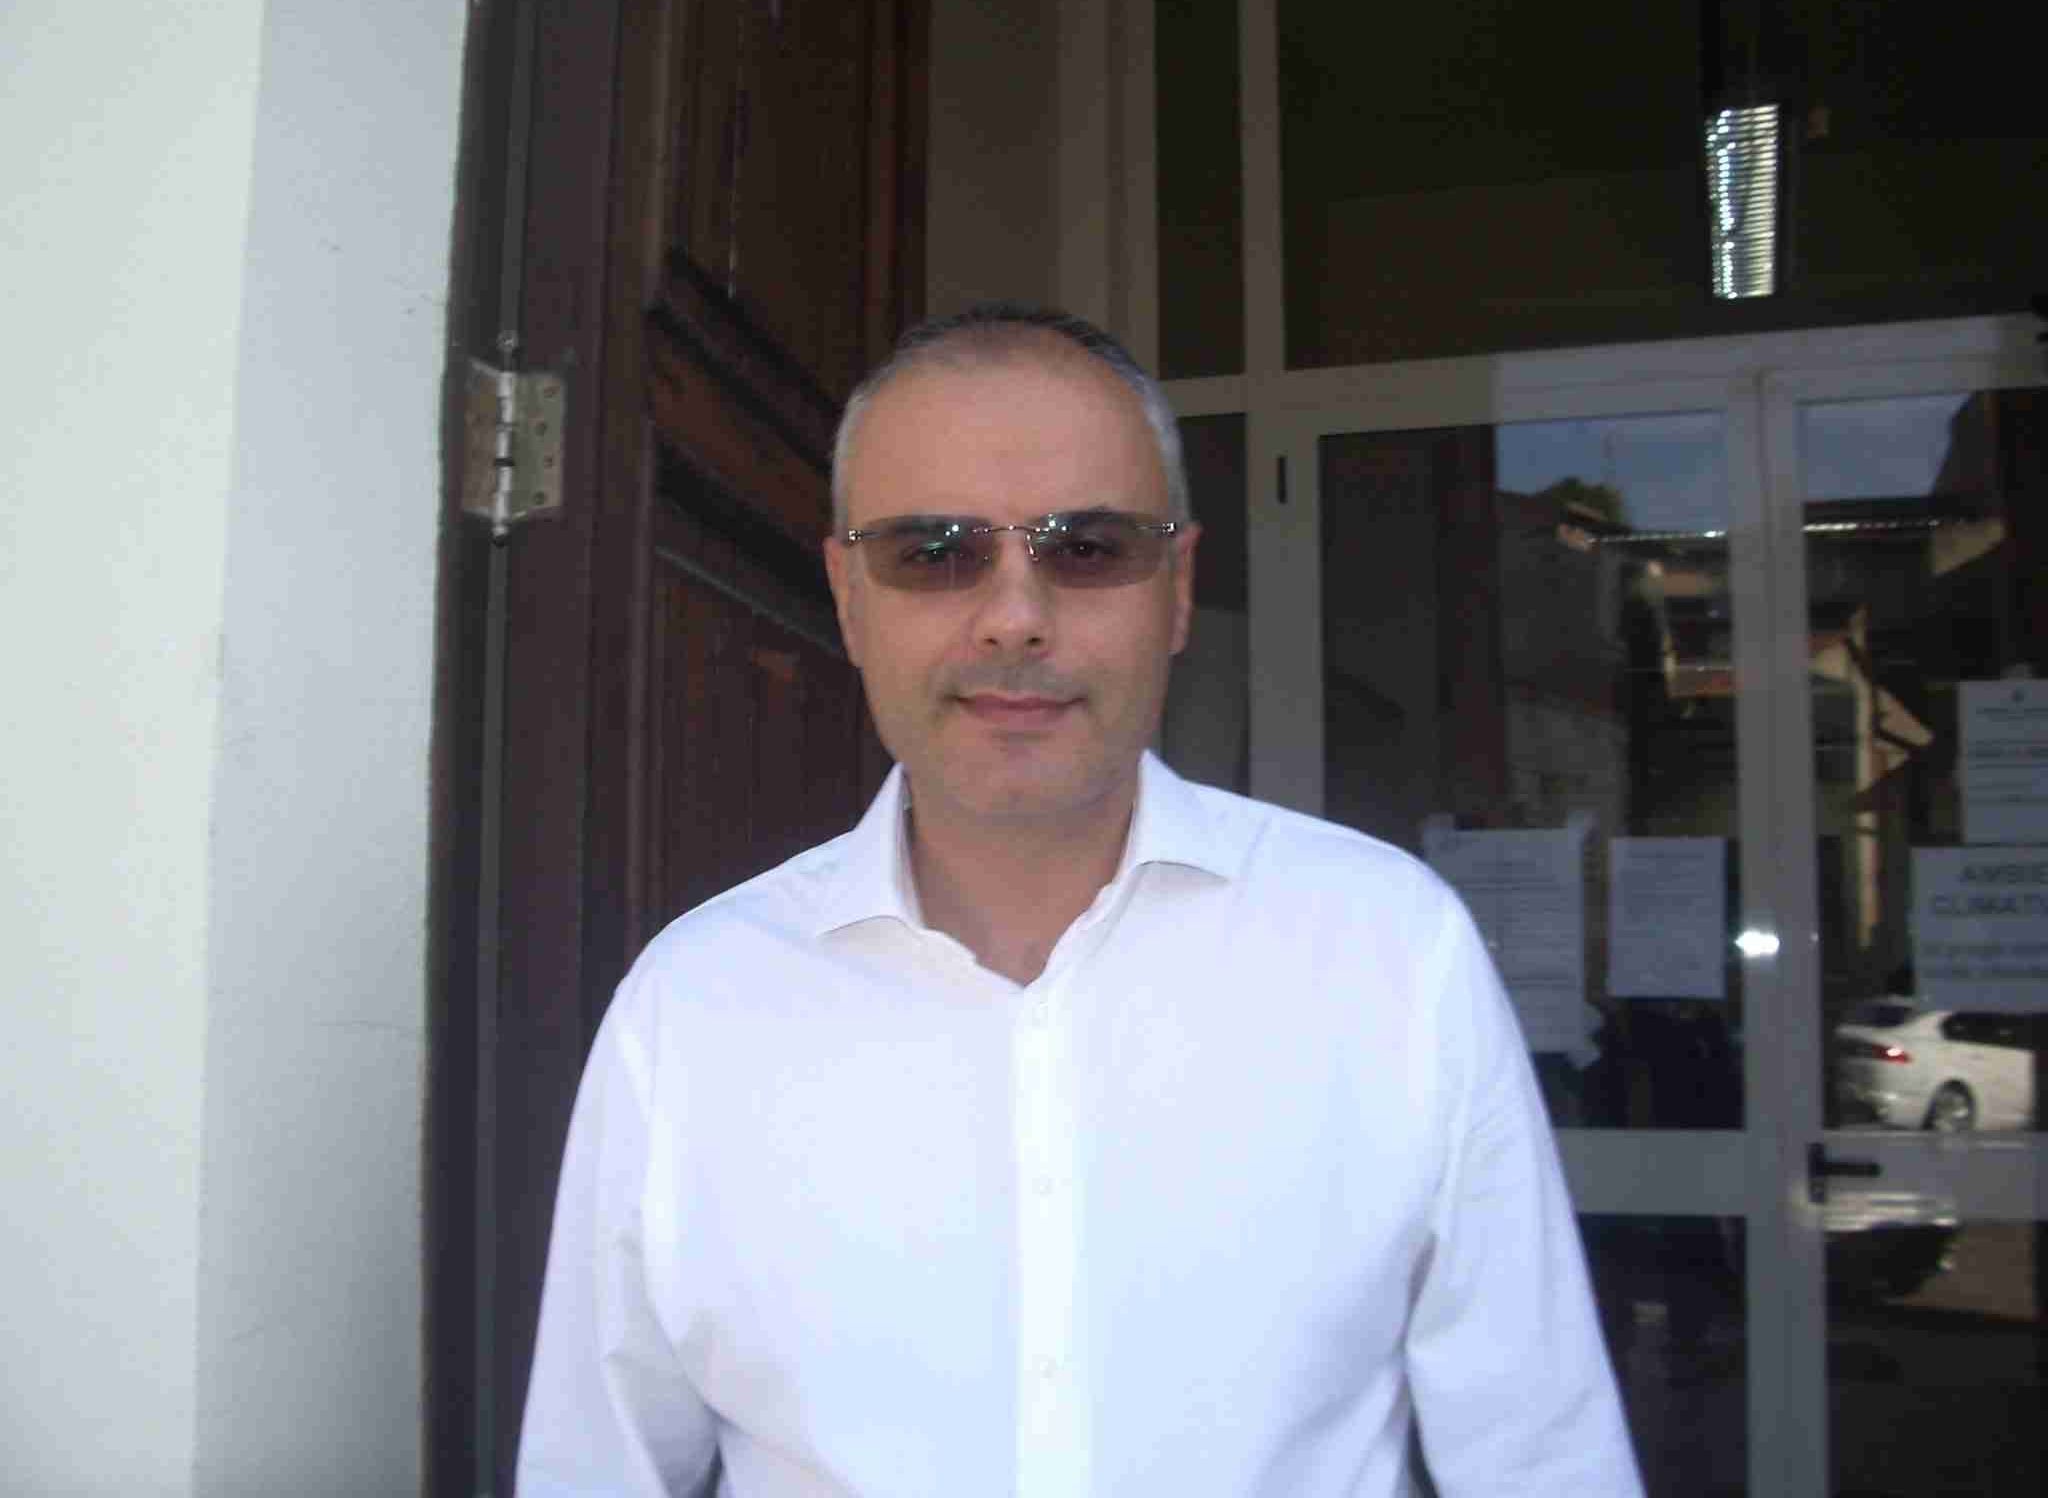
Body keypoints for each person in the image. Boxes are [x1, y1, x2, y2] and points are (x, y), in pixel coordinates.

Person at [517, 303, 1643, 1496]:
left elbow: (1542, 1464)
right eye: (933, 551)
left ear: (1176, 590)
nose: (1014, 616)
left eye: (1088, 549)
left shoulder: (1391, 958)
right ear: (847, 597)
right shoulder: (692, 1012)